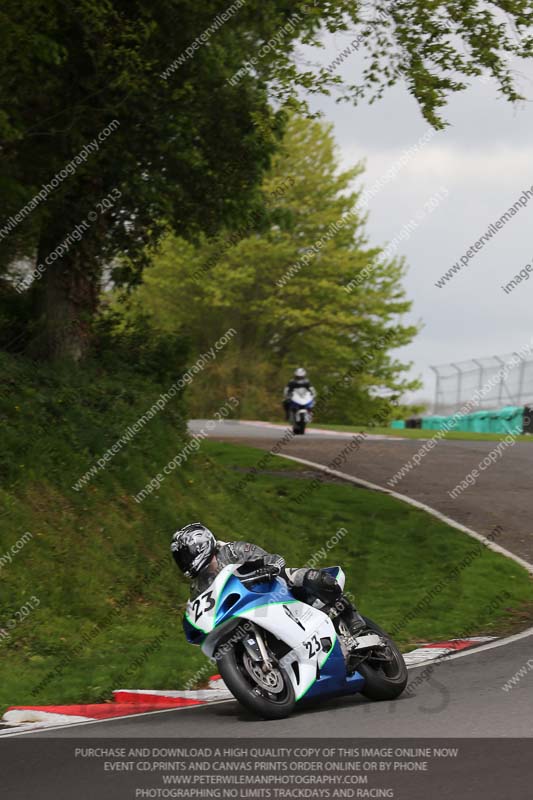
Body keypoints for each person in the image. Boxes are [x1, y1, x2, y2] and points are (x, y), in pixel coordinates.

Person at [171, 522, 365, 636]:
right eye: (181, 558)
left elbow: (271, 558)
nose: (184, 562)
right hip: (248, 609)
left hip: (273, 586)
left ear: (201, 545)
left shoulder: (231, 551)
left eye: (185, 555)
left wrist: (269, 568)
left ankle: (349, 613)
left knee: (311, 578)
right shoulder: (199, 586)